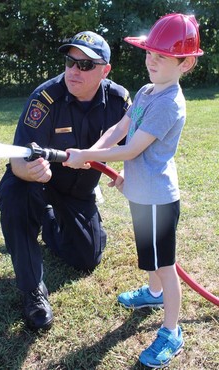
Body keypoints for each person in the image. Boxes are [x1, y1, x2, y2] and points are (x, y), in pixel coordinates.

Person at [63, 14, 203, 368]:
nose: (151, 60)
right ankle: (153, 294)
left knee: (165, 265)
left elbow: (131, 149)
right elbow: (120, 128)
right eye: (149, 52)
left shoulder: (169, 103)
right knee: (150, 258)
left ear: (185, 63)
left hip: (157, 200)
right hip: (141, 193)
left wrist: (89, 156)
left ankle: (172, 331)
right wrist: (93, 151)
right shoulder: (145, 92)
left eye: (162, 56)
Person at [0, 31, 131, 331]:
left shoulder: (119, 99)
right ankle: (33, 292)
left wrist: (127, 171)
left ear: (105, 70)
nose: (73, 70)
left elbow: (132, 147)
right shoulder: (45, 97)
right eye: (70, 61)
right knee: (16, 196)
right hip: (37, 181)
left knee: (87, 258)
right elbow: (17, 159)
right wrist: (29, 172)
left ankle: (50, 221)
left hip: (78, 189)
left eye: (85, 65)